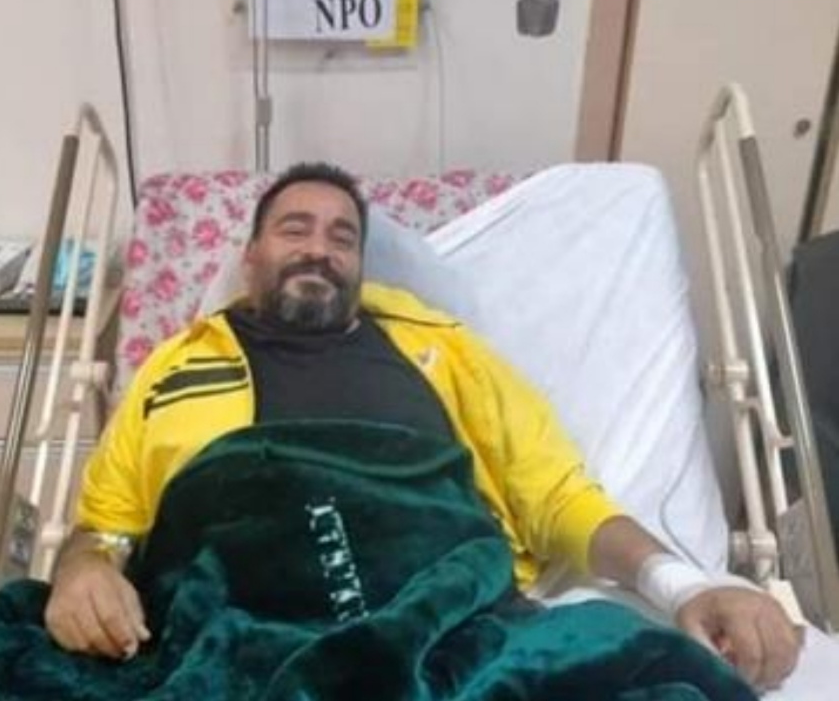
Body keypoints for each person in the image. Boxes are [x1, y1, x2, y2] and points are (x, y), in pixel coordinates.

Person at [44, 161, 802, 691]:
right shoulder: (173, 367)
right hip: (238, 621)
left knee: (658, 677)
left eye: (342, 237)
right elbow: (108, 526)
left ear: (360, 263)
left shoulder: (446, 353)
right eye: (294, 229)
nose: (318, 248)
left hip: (443, 618)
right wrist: (83, 570)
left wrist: (684, 586)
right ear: (250, 256)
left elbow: (560, 499)